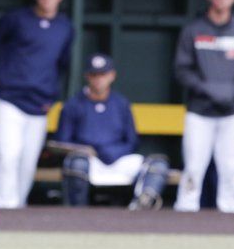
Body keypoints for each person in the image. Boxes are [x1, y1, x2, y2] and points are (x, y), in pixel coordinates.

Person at [0, 0, 75, 209]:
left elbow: (63, 63)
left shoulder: (65, 26)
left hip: (40, 102)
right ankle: (5, 207)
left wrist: (52, 95)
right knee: (8, 155)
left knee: (28, 161)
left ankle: (18, 207)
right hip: (10, 98)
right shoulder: (17, 19)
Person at [173, 0, 234, 213]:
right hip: (199, 110)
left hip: (231, 112)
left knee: (230, 168)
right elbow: (182, 69)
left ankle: (229, 214)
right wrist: (207, 89)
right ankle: (185, 211)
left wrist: (231, 91)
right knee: (193, 167)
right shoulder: (193, 30)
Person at [56, 54, 169, 209]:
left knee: (158, 164)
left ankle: (141, 206)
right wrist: (86, 150)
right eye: (94, 75)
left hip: (119, 160)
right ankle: (78, 213)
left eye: (103, 74)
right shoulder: (73, 104)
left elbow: (132, 141)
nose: (98, 79)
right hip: (90, 161)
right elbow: (62, 141)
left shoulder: (121, 103)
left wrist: (110, 152)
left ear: (112, 76)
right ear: (87, 76)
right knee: (76, 164)